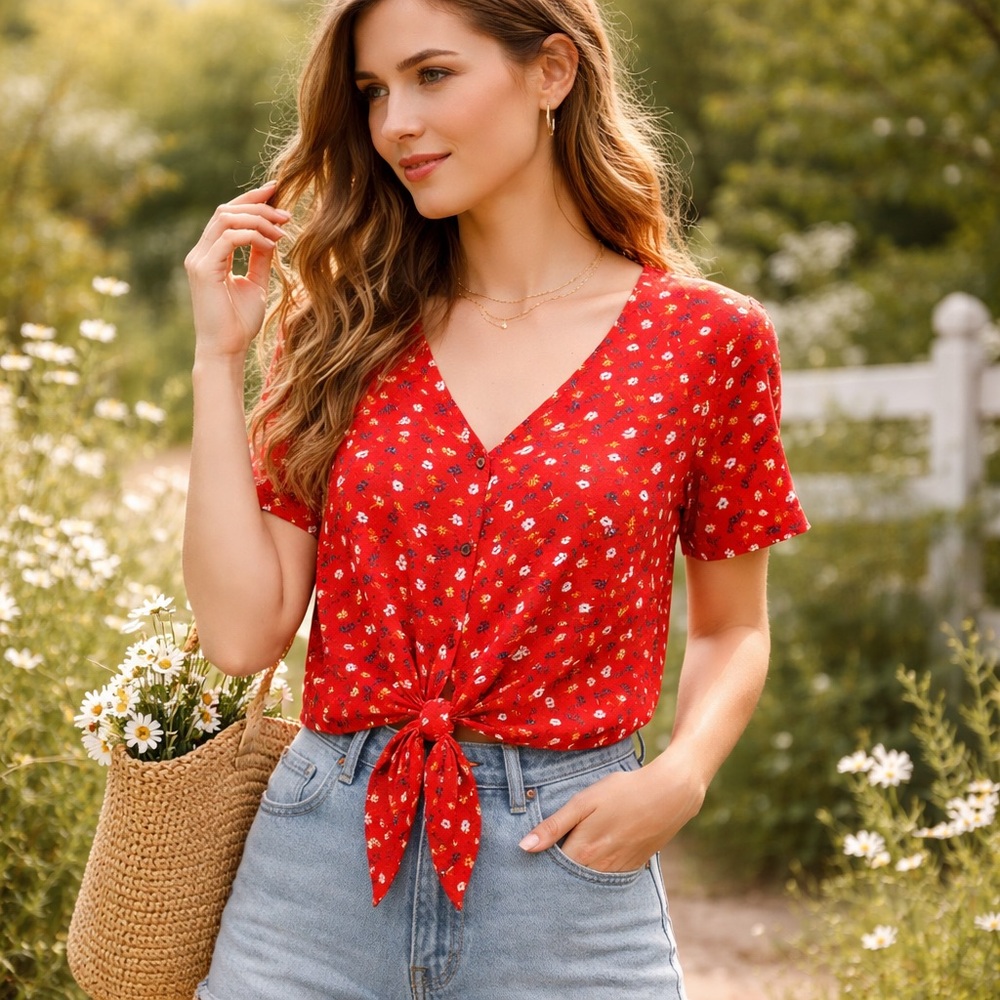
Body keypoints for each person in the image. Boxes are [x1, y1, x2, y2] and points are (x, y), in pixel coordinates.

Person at [183, 0, 809, 997]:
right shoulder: (346, 333)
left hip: (564, 874)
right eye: (374, 92)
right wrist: (219, 358)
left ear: (552, 70)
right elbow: (242, 632)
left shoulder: (707, 341)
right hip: (316, 874)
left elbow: (734, 626)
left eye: (432, 76)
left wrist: (680, 777)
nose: (395, 125)